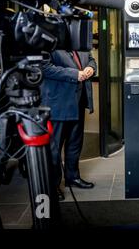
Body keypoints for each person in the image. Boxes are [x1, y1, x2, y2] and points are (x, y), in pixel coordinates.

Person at [40, 49, 97, 201]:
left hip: (78, 101)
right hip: (58, 103)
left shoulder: (78, 40)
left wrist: (91, 68)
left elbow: (91, 59)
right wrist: (75, 74)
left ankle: (72, 177)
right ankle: (52, 186)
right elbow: (44, 67)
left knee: (75, 143)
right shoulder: (49, 41)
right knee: (55, 148)